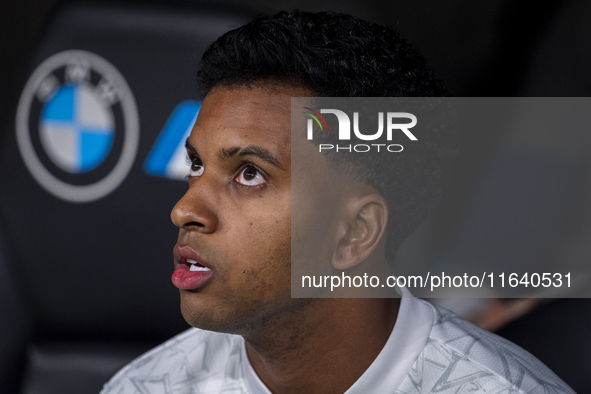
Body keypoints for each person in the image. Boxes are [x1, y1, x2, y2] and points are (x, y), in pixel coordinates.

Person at [101, 10, 574, 394]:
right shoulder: (146, 387)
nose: (184, 210)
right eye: (197, 165)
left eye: (250, 174)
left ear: (355, 232)